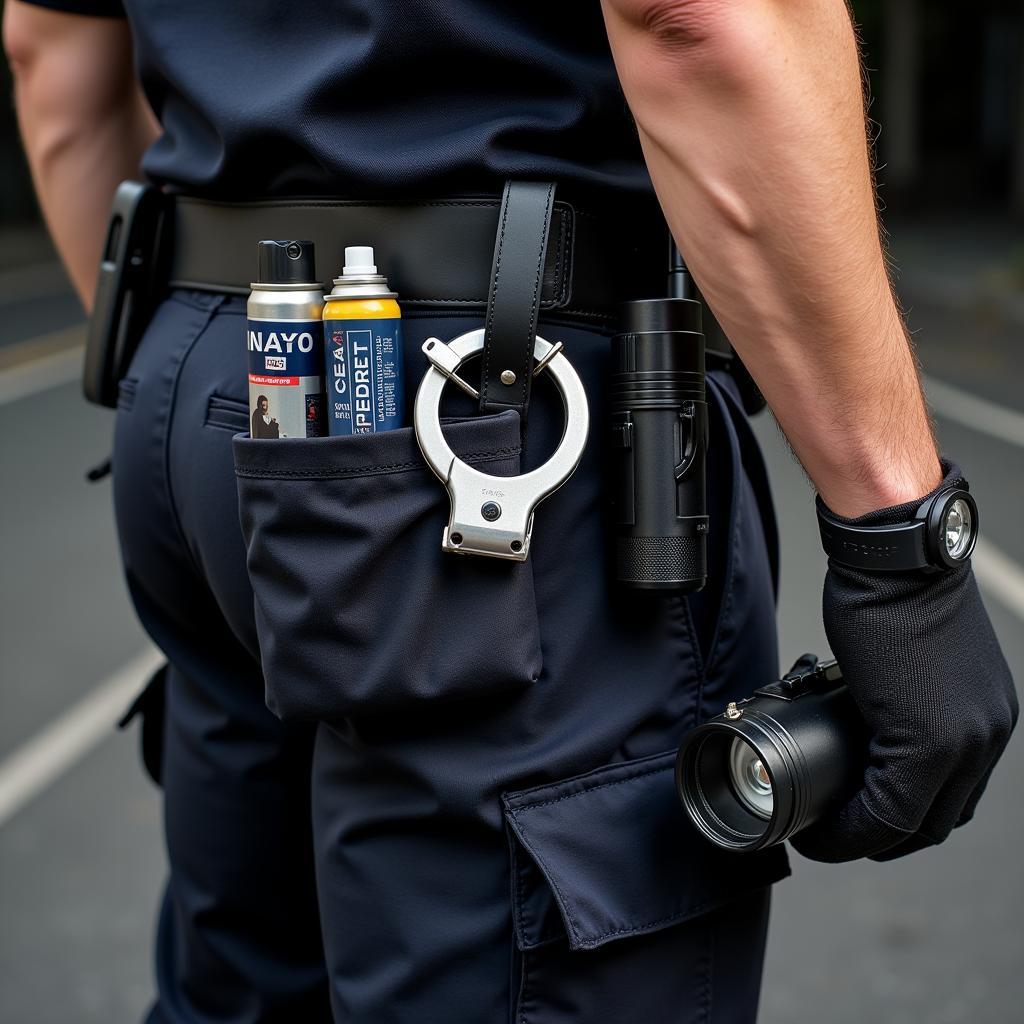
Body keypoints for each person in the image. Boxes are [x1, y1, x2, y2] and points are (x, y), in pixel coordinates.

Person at [5, 1, 1015, 1022]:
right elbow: (701, 18)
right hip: (499, 404)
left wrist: (190, 376)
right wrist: (904, 546)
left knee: (245, 986)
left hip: (204, 370)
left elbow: (51, 58)